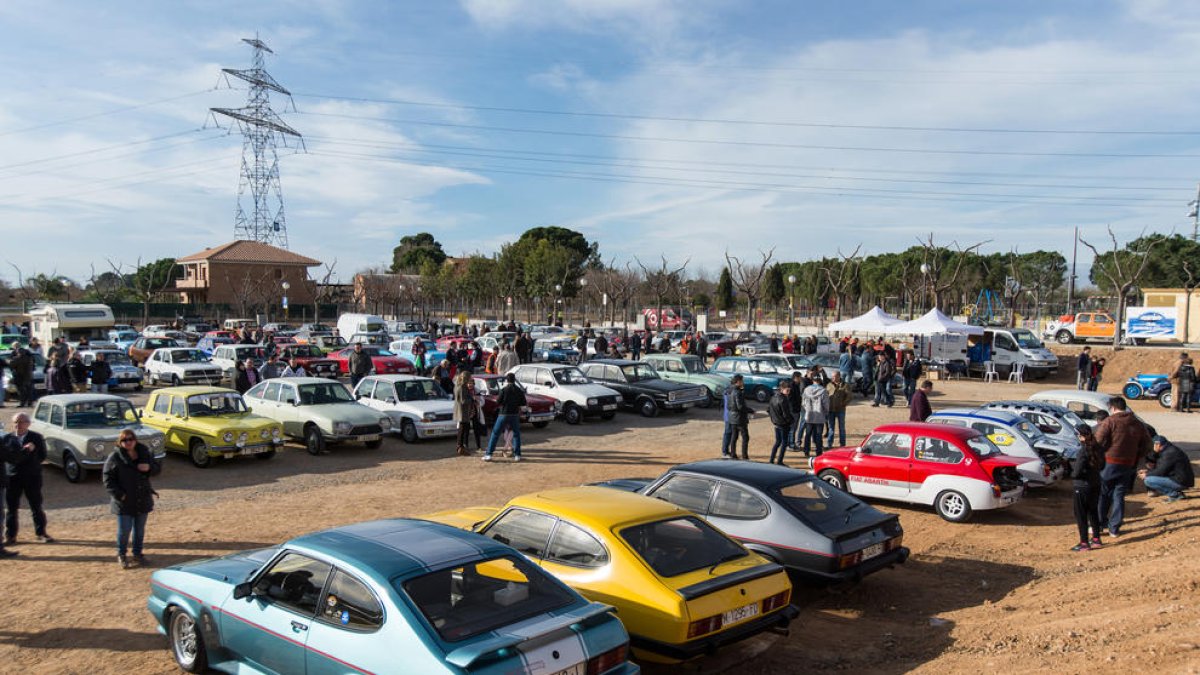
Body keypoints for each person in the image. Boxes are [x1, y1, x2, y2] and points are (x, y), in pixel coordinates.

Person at [103, 429, 160, 568]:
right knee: (124, 531)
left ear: (135, 440)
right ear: (120, 442)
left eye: (130, 439)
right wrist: (120, 495)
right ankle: (121, 555)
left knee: (139, 530)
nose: (128, 442)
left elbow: (157, 469)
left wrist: (149, 468)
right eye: (124, 440)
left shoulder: (144, 453)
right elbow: (107, 479)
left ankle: (137, 554)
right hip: (124, 501)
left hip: (142, 498)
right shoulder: (114, 457)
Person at [1094, 397, 1151, 538]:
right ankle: (1114, 528)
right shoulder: (1137, 423)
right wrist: (1136, 456)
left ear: (1112, 408)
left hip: (1109, 462)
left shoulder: (1110, 421)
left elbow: (1097, 442)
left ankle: (1100, 524)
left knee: (1103, 493)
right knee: (1119, 495)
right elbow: (1147, 445)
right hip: (1128, 464)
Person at [4, 413, 52, 545]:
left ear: (28, 423)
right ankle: (10, 535)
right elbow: (8, 458)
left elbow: (42, 455)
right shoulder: (7, 439)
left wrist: (31, 463)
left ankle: (41, 533)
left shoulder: (36, 437)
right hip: (13, 477)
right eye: (15, 422)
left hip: (32, 477)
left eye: (21, 422)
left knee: (36, 506)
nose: (18, 425)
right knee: (11, 508)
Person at [1069, 424, 1105, 551]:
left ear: (1081, 436)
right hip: (1096, 484)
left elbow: (1076, 472)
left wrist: (1071, 472)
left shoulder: (1083, 451)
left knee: (1081, 515)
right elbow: (1102, 466)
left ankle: (1084, 542)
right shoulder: (1099, 448)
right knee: (1093, 512)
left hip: (1082, 486)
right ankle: (1096, 539)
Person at [483, 373, 526, 462]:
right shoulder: (519, 390)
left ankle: (489, 454)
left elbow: (498, 402)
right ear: (514, 380)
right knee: (516, 435)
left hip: (503, 414)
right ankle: (517, 455)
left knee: (495, 433)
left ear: (507, 380)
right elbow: (523, 403)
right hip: (514, 414)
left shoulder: (504, 390)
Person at [1140, 436, 1194, 502]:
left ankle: (1175, 495)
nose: (1152, 447)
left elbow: (1161, 471)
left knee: (1148, 480)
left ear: (1158, 445)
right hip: (1181, 479)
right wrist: (1148, 470)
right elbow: (1161, 466)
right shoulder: (1168, 449)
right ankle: (1176, 493)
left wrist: (1147, 474)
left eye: (1153, 444)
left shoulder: (1169, 453)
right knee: (1151, 476)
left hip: (1181, 482)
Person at [724, 374, 752, 460]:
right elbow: (740, 406)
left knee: (734, 436)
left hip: (731, 417)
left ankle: (733, 454)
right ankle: (744, 456)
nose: (743, 382)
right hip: (739, 418)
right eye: (742, 381)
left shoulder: (729, 390)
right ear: (738, 382)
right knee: (745, 437)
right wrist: (750, 410)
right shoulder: (737, 392)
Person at [800, 375, 830, 458]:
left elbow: (803, 402)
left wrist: (807, 409)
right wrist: (826, 412)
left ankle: (806, 451)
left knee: (808, 434)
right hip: (819, 416)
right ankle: (818, 452)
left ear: (812, 380)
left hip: (809, 415)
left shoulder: (806, 390)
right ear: (820, 381)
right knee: (818, 435)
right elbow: (826, 404)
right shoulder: (823, 391)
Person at [767, 381, 794, 465]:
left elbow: (768, 410)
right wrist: (791, 421)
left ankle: (771, 460)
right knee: (784, 442)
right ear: (782, 389)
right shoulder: (783, 399)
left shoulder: (773, 397)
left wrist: (773, 419)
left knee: (778, 442)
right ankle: (779, 461)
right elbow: (786, 414)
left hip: (776, 423)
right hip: (783, 424)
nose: (788, 393)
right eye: (787, 390)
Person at [453, 372, 477, 457]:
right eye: (469, 377)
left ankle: (461, 447)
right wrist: (472, 399)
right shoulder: (462, 387)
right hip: (462, 411)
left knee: (463, 428)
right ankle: (460, 447)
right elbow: (463, 401)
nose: (470, 379)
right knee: (462, 429)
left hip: (461, 410)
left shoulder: (457, 386)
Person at [825, 372, 851, 447]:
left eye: (835, 376)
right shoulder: (829, 385)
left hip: (841, 410)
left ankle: (842, 444)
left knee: (841, 428)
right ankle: (829, 444)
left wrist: (843, 404)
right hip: (831, 410)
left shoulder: (845, 385)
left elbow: (849, 396)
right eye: (832, 377)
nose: (833, 378)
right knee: (831, 428)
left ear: (839, 376)